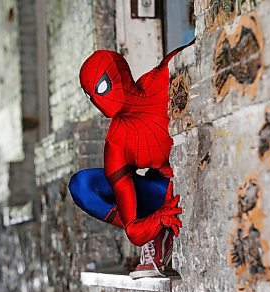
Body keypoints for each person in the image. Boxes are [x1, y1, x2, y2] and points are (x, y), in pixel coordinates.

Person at [69, 40, 194, 279]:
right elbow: (135, 232)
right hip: (164, 191)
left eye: (101, 87)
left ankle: (159, 232)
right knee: (82, 185)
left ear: (119, 75)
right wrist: (157, 219)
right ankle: (159, 235)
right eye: (90, 95)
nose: (99, 100)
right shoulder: (116, 144)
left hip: (188, 171)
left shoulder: (165, 74)